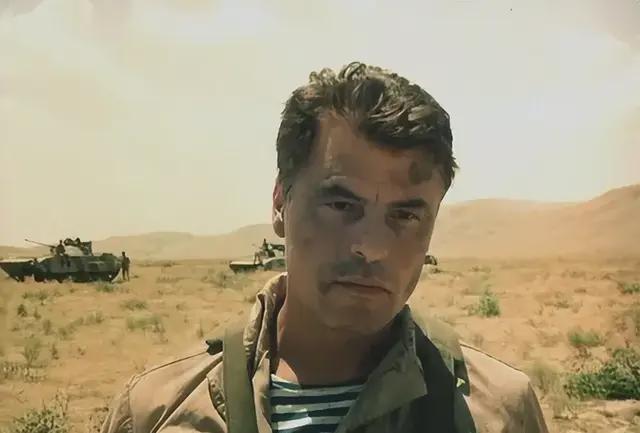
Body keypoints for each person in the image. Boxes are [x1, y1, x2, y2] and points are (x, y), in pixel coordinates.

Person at [101, 62, 549, 432]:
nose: (372, 247)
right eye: (341, 205)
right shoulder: (158, 411)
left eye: (406, 216)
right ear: (281, 203)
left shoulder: (496, 412)